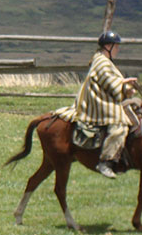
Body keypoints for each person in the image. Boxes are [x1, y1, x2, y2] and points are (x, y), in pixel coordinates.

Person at [58, 30, 137, 179]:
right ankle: (106, 161)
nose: (118, 50)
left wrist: (126, 87)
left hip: (103, 97)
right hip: (97, 101)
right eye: (116, 46)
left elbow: (113, 83)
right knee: (120, 124)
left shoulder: (104, 60)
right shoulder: (101, 62)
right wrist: (124, 85)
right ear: (108, 46)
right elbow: (111, 83)